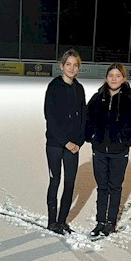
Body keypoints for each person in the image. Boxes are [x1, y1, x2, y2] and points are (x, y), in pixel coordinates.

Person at [85, 62, 131, 237]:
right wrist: (91, 137)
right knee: (102, 187)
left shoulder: (130, 100)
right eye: (111, 75)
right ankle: (100, 222)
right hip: (99, 152)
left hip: (119, 152)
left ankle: (110, 222)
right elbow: (87, 121)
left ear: (123, 78)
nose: (114, 79)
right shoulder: (97, 98)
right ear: (106, 78)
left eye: (117, 76)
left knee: (115, 187)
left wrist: (123, 140)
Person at [43, 49, 87, 234]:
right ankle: (52, 222)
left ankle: (62, 221)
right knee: (55, 182)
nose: (71, 67)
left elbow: (83, 118)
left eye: (75, 65)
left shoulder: (79, 89)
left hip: (73, 147)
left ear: (78, 68)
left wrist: (78, 141)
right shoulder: (54, 86)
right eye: (68, 64)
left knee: (70, 184)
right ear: (62, 66)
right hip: (55, 144)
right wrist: (65, 142)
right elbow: (50, 117)